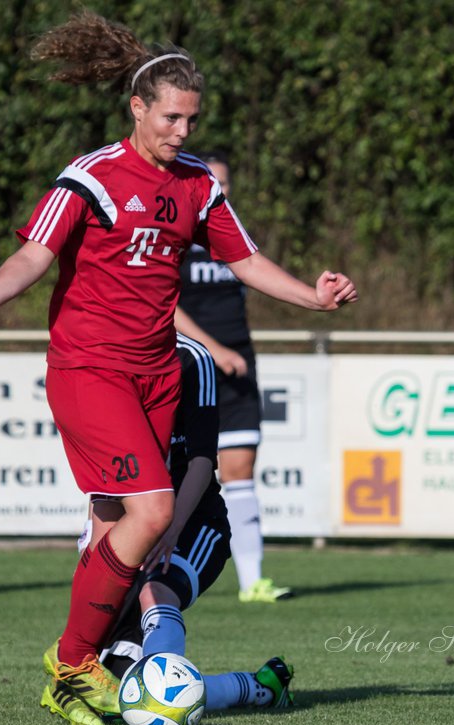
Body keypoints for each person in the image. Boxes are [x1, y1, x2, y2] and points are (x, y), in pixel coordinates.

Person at [0, 12, 357, 725]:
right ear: (137, 107)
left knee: (108, 523)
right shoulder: (92, 177)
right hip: (89, 366)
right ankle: (71, 663)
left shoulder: (196, 186)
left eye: (192, 119)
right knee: (152, 511)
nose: (183, 132)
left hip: (157, 371)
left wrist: (312, 297)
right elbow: (35, 255)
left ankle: (84, 671)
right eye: (171, 117)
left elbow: (244, 261)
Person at [52, 334, 295, 719]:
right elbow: (107, 474)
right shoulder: (101, 354)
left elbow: (202, 459)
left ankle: (221, 695)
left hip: (195, 521)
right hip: (137, 525)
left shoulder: (193, 358)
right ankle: (259, 687)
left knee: (155, 591)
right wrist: (93, 538)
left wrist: (170, 525)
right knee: (122, 687)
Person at [173, 153, 287, 604]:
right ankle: (157, 564)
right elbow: (165, 306)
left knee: (240, 470)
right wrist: (213, 350)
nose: (219, 191)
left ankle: (252, 581)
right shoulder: (175, 239)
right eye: (211, 182)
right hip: (191, 366)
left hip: (238, 369)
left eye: (225, 184)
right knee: (176, 473)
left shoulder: (235, 240)